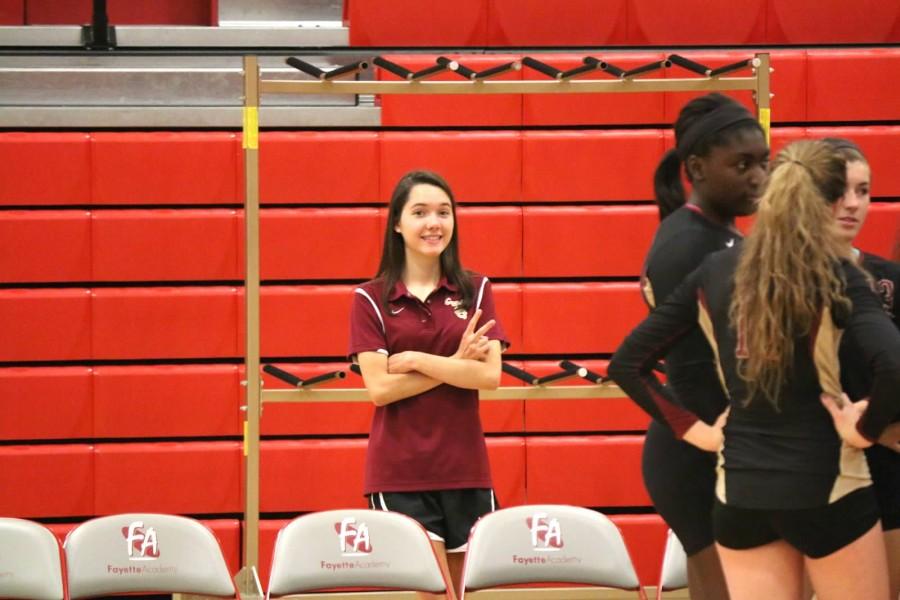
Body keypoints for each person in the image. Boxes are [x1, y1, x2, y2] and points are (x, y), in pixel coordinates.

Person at [609, 140, 900, 600]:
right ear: (825, 201)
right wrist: (864, 429)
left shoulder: (717, 270)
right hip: (827, 485)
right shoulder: (837, 275)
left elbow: (626, 363)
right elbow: (894, 366)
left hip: (740, 491)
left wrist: (697, 432)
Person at [348, 170, 507, 599]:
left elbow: (489, 376)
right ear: (397, 224)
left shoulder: (476, 289)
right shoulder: (370, 298)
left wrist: (419, 360)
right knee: (435, 594)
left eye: (443, 212)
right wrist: (456, 365)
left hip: (466, 467)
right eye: (419, 213)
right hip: (400, 472)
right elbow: (379, 389)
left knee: (466, 592)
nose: (433, 222)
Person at [640, 93, 769, 600]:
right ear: (697, 167)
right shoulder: (687, 243)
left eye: (764, 162)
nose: (758, 176)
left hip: (725, 445)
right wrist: (694, 432)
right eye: (742, 164)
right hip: (694, 455)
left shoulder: (720, 233)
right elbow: (636, 365)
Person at [824, 137, 900, 599]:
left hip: (883, 466)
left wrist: (881, 430)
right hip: (806, 462)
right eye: (838, 190)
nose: (852, 204)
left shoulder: (888, 277)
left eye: (864, 191)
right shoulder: (768, 277)